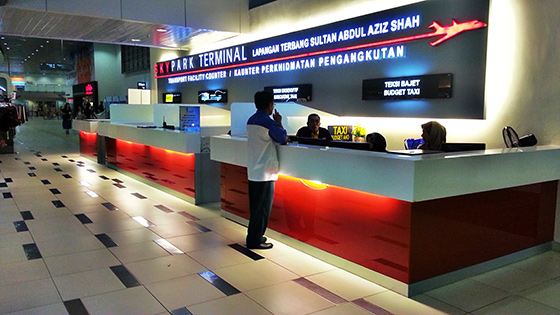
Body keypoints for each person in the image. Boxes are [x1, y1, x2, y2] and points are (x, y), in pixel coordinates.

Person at [246, 91, 287, 250]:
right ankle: (254, 241)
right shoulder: (268, 122)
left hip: (254, 170)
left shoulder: (252, 120)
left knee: (256, 208)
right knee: (262, 209)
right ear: (270, 105)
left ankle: (255, 236)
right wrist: (279, 122)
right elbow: (282, 138)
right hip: (265, 172)